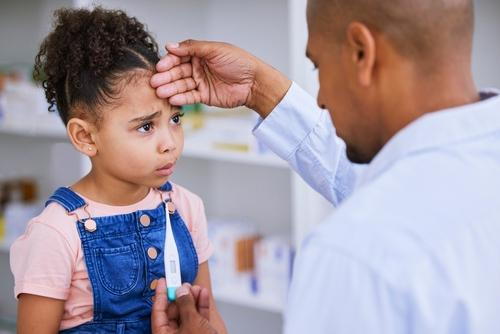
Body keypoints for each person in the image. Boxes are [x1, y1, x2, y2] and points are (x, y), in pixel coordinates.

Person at [150, 0, 500, 333]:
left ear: (362, 52)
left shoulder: (353, 254)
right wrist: (259, 89)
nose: (321, 99)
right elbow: (379, 185)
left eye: (318, 66)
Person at [9, 7, 226, 334]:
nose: (169, 142)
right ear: (85, 136)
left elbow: (211, 322)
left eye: (175, 119)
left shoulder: (185, 208)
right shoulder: (56, 233)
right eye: (145, 127)